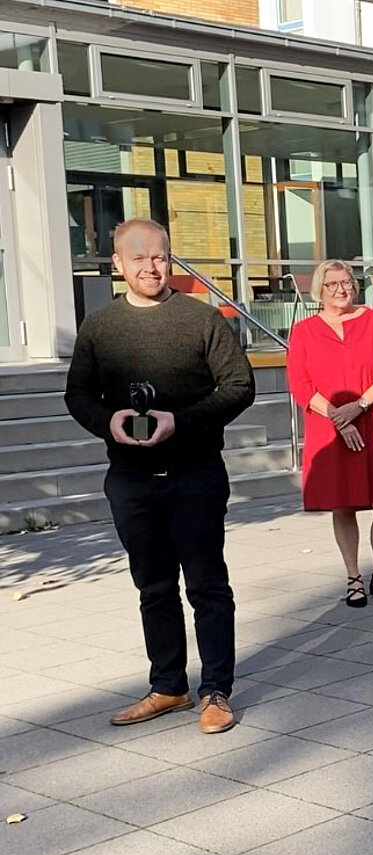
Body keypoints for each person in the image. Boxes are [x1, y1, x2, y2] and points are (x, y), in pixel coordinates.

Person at [65, 218, 255, 734]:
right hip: (130, 479)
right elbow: (76, 394)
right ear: (118, 265)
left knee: (207, 585)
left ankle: (216, 689)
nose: (153, 266)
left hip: (195, 474)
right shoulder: (100, 327)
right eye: (141, 258)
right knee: (153, 586)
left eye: (161, 257)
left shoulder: (202, 319)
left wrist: (182, 421)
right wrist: (107, 422)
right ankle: (168, 686)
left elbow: (239, 385)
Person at [287, 260, 373, 607]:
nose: (341, 289)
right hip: (328, 428)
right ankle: (353, 577)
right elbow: (300, 383)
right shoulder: (304, 331)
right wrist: (337, 419)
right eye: (332, 284)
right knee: (343, 505)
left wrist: (357, 407)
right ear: (319, 289)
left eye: (346, 283)